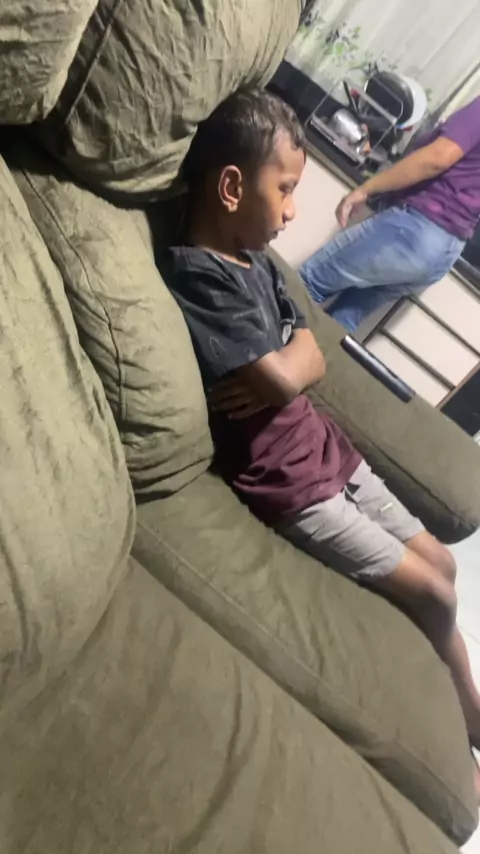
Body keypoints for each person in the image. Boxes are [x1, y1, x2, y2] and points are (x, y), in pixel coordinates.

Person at [158, 88, 480, 781]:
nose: (293, 211)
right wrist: (292, 364)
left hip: (325, 447)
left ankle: (469, 714)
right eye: (285, 190)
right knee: (437, 594)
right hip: (289, 483)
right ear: (232, 187)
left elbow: (310, 356)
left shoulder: (260, 265)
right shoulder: (198, 273)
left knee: (446, 567)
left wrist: (295, 362)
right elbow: (281, 376)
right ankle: (467, 732)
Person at [300, 96, 480, 331]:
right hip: (446, 251)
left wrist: (366, 189)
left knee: (306, 284)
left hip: (417, 229)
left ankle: (253, 350)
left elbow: (438, 158)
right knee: (342, 320)